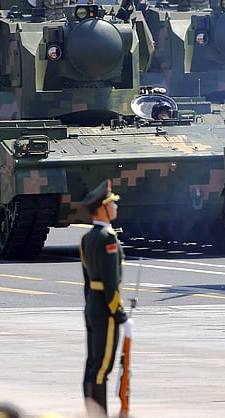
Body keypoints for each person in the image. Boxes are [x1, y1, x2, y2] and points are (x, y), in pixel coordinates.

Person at [79, 179, 131, 417]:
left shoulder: (87, 238)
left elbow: (88, 283)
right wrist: (120, 316)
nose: (115, 207)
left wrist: (90, 305)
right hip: (105, 311)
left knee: (92, 365)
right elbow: (110, 285)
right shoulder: (108, 240)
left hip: (92, 306)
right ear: (102, 208)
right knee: (102, 368)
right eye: (112, 203)